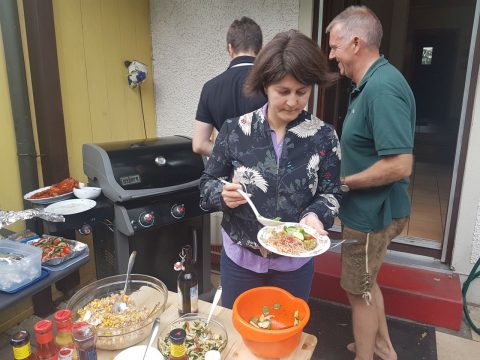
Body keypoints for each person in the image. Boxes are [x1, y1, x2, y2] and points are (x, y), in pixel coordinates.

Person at [199, 29, 342, 309]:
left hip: (294, 263)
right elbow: (206, 185)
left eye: (302, 92)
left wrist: (316, 216)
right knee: (239, 335)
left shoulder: (323, 136)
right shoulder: (235, 130)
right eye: (283, 91)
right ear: (266, 85)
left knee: (285, 333)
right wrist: (221, 194)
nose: (292, 101)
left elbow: (332, 193)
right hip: (241, 259)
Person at [326, 6, 416, 360]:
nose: (332, 55)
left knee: (358, 290)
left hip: (370, 215)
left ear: (356, 42)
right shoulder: (372, 83)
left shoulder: (382, 88)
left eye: (335, 47)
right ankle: (381, 345)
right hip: (369, 211)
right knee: (367, 282)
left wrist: (344, 182)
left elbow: (399, 165)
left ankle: (367, 355)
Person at [192, 16, 267, 156]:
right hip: (267, 171)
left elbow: (199, 144)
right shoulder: (273, 83)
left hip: (231, 174)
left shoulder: (210, 88)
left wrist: (233, 156)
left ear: (230, 48)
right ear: (260, 49)